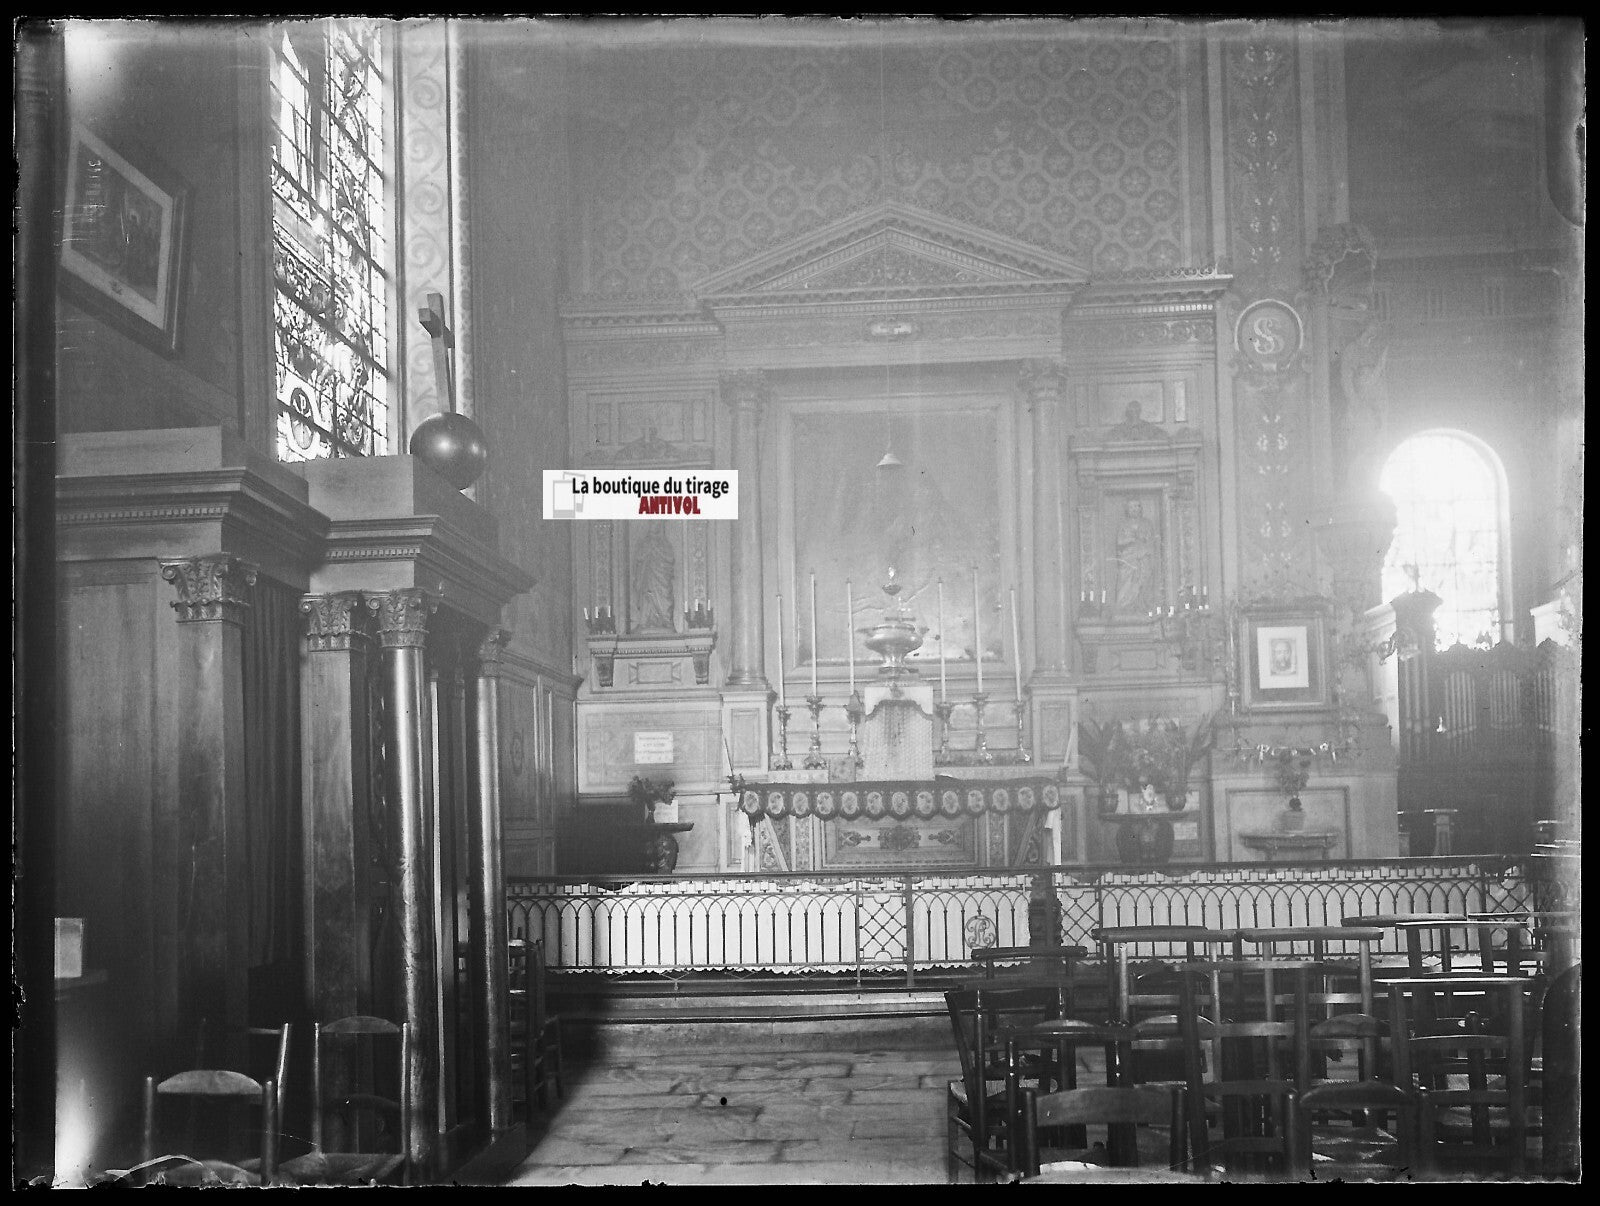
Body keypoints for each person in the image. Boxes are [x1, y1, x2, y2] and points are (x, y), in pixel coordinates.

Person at [1113, 499, 1158, 615]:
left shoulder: (1146, 523)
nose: (1134, 509)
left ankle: (1143, 607)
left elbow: (1151, 541)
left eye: (1137, 506)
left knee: (1144, 581)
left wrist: (1144, 541)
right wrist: (1132, 539)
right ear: (1127, 510)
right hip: (1128, 559)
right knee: (1127, 582)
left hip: (1143, 557)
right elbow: (1120, 542)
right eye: (1131, 507)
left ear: (1140, 508)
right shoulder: (1124, 524)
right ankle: (1125, 607)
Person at [629, 525, 677, 632]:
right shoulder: (644, 544)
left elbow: (670, 559)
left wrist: (656, 550)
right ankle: (645, 620)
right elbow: (639, 558)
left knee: (663, 596)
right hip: (647, 578)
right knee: (647, 596)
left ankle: (664, 620)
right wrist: (648, 550)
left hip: (660, 579)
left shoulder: (665, 544)